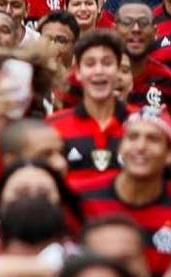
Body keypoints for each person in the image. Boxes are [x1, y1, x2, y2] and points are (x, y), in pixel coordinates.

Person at [76, 107, 171, 277]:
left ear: (170, 154)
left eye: (153, 139)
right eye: (132, 137)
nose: (140, 147)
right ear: (121, 147)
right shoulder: (82, 197)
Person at [49, 30, 129, 183]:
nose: (99, 71)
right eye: (90, 64)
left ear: (118, 70)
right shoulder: (52, 127)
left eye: (107, 63)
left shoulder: (142, 124)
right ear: (78, 72)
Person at [112, 1, 171, 113]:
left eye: (144, 23)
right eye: (127, 22)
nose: (136, 29)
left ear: (155, 32)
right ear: (114, 30)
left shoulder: (165, 78)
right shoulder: (102, 77)